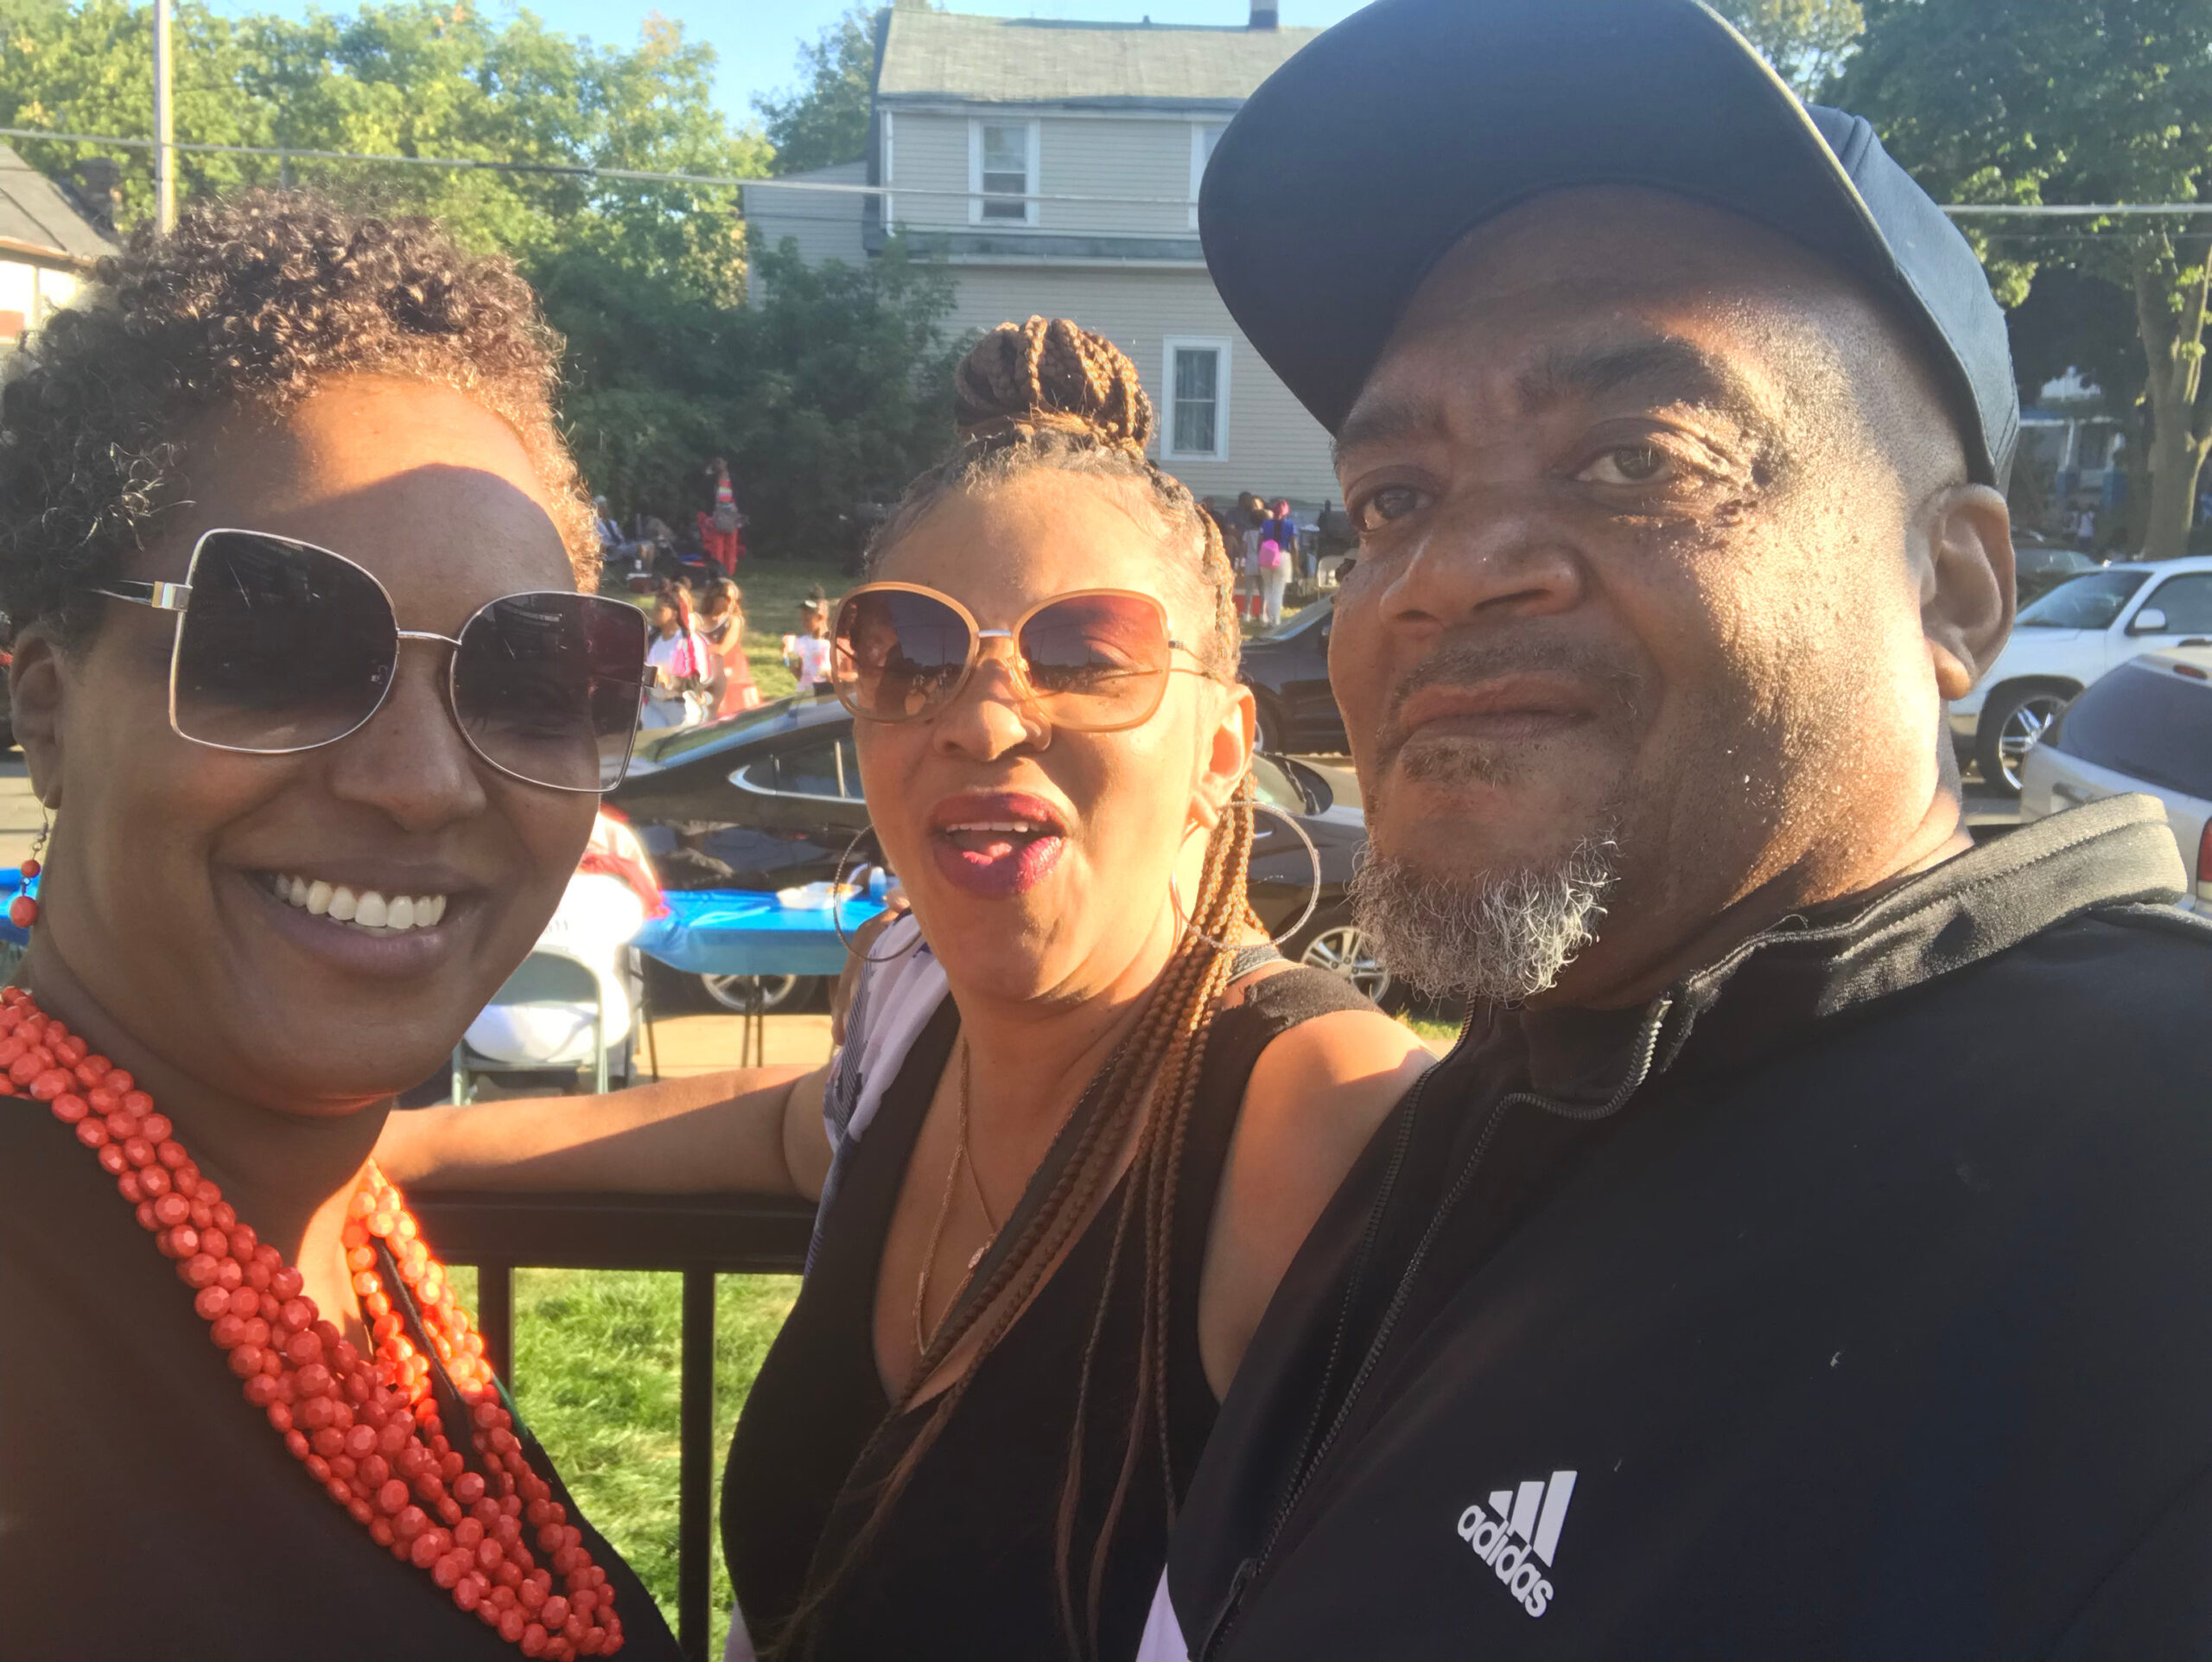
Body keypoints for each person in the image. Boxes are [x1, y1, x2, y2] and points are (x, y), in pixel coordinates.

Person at [1151, 2, 2212, 1656]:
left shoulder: (2154, 1178)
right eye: (1394, 497)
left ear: (1953, 590)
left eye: (1636, 455)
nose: (1444, 572)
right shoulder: (1522, 1079)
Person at [374, 317, 1432, 1662]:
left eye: (1085, 652)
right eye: (910, 652)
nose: (980, 718)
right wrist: (386, 1148)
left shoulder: (1316, 1114)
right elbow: (794, 1125)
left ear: (1221, 749)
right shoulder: (906, 998)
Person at [0, 192, 673, 1659]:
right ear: (48, 709)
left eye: (528, 678)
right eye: (279, 643)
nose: (421, 781)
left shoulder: (346, 1255)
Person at [642, 583, 721, 730]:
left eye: (659, 609)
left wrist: (670, 680)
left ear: (674, 614)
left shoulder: (690, 642)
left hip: (680, 708)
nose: (653, 613)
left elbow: (701, 680)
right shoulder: (652, 638)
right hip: (654, 705)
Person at [700, 578, 762, 717]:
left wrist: (697, 651)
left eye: (735, 599)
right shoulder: (699, 621)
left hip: (731, 677)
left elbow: (722, 649)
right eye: (727, 598)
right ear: (714, 596)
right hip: (706, 675)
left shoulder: (734, 620)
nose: (731, 603)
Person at [781, 594, 834, 695]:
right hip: (806, 695)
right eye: (802, 619)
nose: (803, 623)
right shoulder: (802, 642)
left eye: (807, 620)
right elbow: (802, 676)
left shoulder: (832, 643)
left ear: (820, 618)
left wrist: (832, 676)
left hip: (827, 695)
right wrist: (793, 668)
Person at [699, 459, 743, 578]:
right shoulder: (713, 480)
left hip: (730, 515)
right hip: (718, 515)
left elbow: (737, 496)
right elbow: (704, 489)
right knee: (718, 545)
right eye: (716, 463)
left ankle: (729, 571)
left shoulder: (732, 479)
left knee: (730, 545)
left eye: (720, 462)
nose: (719, 465)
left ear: (726, 463)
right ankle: (719, 570)